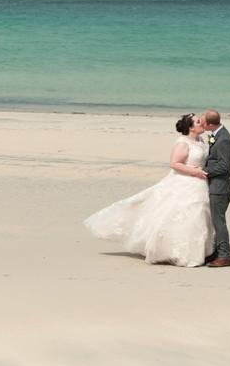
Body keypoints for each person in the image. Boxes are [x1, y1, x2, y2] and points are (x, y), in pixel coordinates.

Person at [84, 113, 215, 266]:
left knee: (199, 216)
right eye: (198, 121)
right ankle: (181, 253)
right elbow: (175, 164)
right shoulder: (182, 143)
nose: (202, 123)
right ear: (191, 128)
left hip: (199, 184)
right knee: (187, 215)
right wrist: (196, 172)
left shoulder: (200, 140)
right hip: (185, 182)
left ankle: (199, 251)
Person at [200, 108, 230, 267]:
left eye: (203, 121)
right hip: (216, 186)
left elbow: (224, 166)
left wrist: (203, 172)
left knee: (219, 222)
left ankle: (224, 256)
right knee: (215, 222)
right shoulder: (216, 135)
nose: (201, 123)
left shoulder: (224, 139)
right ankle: (216, 252)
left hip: (220, 188)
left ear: (209, 124)